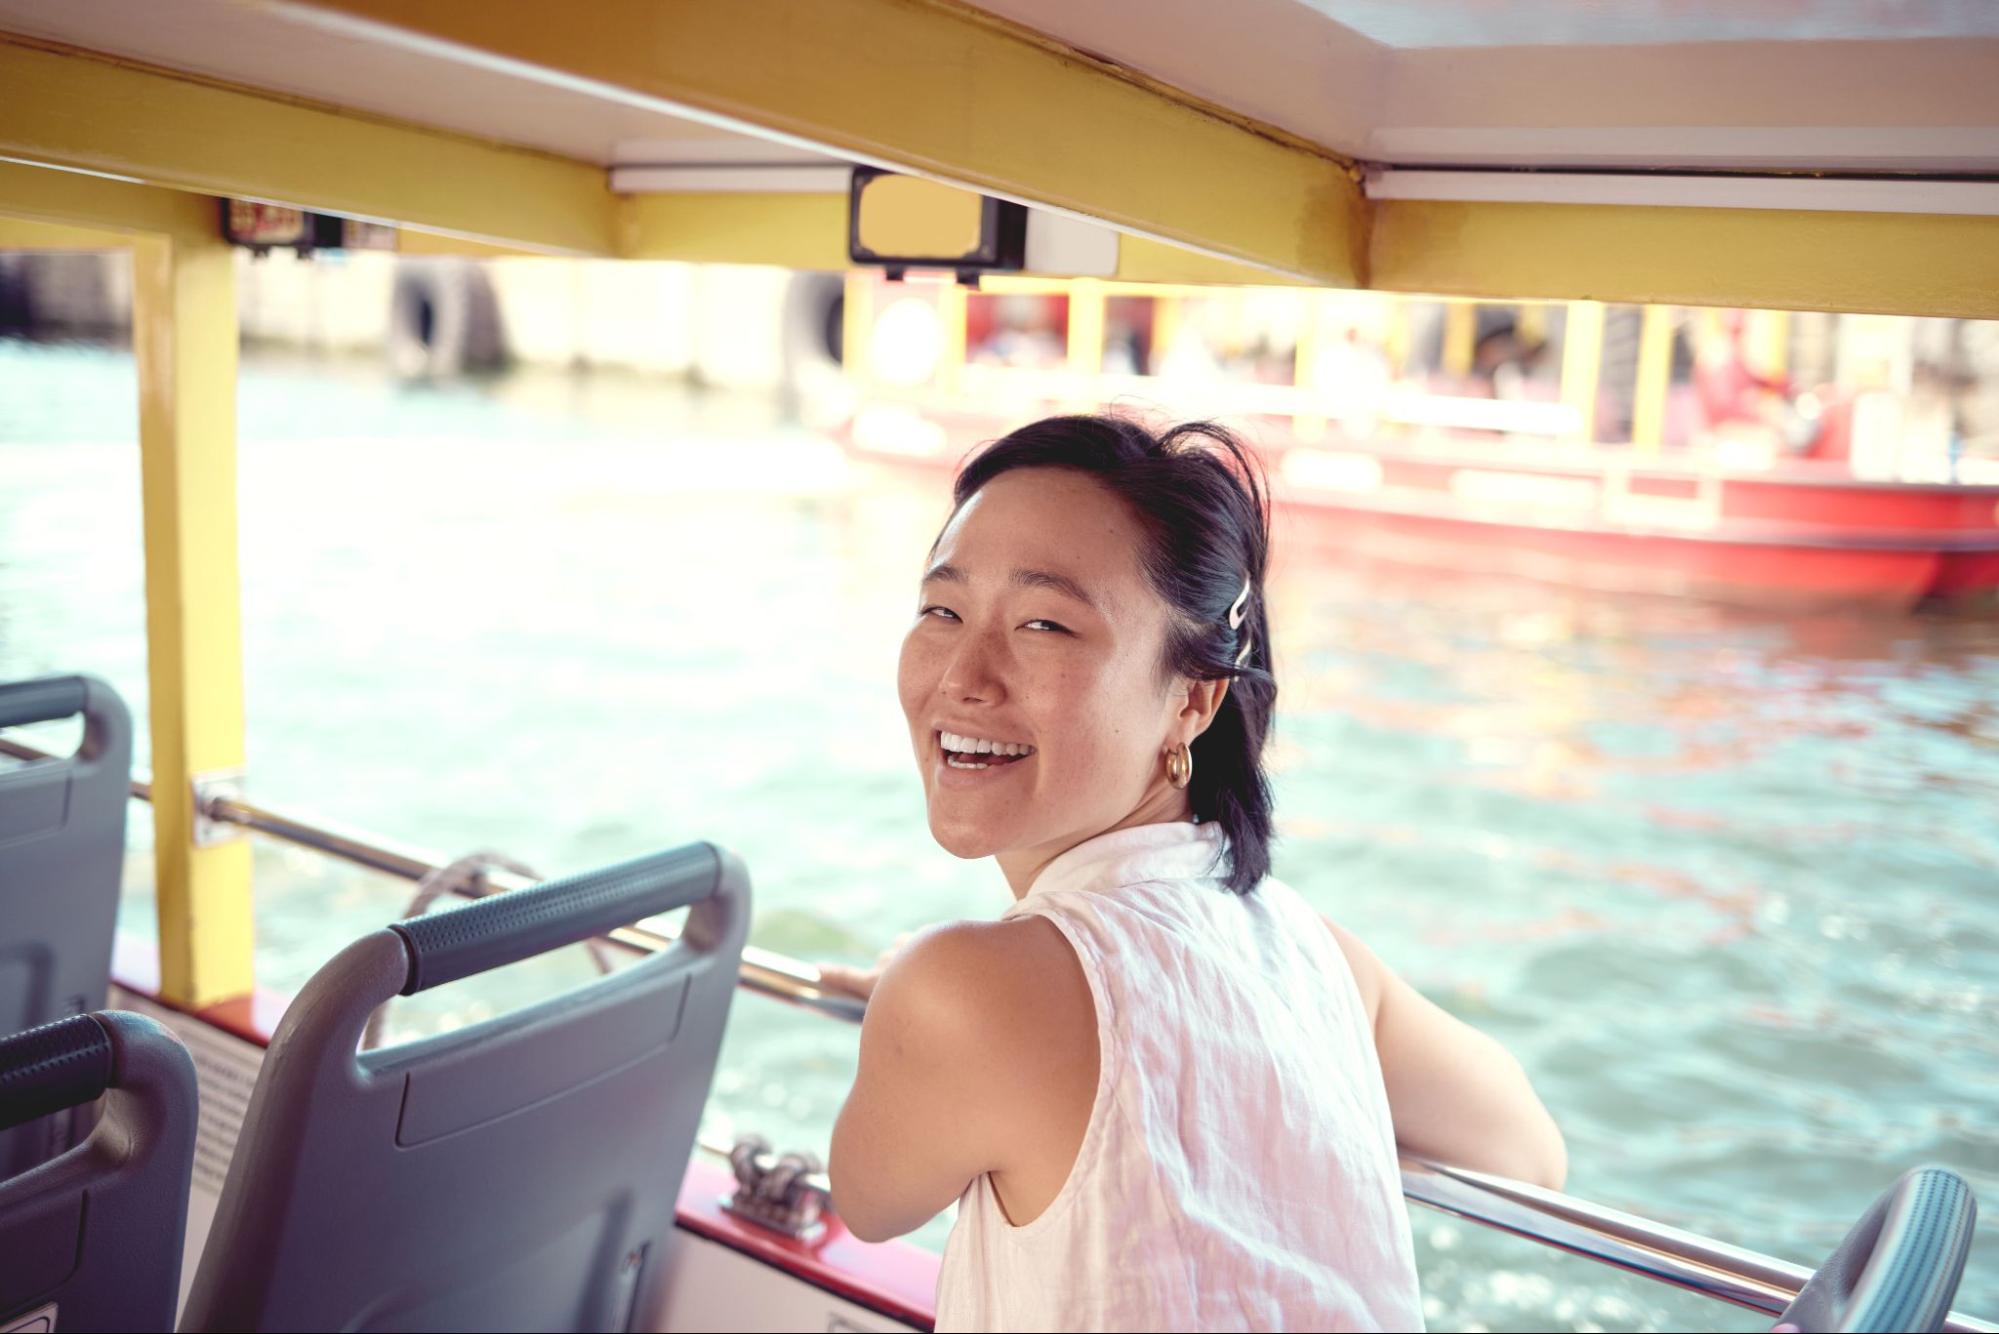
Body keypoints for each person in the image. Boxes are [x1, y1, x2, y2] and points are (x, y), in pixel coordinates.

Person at [822, 415, 1566, 1332]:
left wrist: (921, 1002)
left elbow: (865, 1201)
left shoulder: (962, 993)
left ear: (1192, 699)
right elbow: (1527, 1150)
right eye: (942, 611)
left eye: (1044, 623)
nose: (964, 677)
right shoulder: (1306, 950)